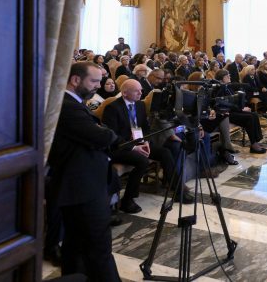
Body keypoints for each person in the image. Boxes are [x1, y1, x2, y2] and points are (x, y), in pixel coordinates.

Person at [47, 62, 121, 281]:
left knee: (75, 245)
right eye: (94, 81)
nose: (98, 86)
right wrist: (105, 132)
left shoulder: (73, 103)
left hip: (81, 183)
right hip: (82, 187)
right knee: (99, 248)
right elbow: (102, 136)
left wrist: (101, 132)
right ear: (75, 80)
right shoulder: (68, 105)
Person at [103, 79, 192, 211]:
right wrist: (134, 147)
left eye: (141, 90)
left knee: (165, 152)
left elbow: (145, 127)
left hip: (139, 142)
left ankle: (178, 191)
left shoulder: (140, 105)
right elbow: (113, 135)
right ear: (125, 93)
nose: (140, 93)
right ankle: (127, 200)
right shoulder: (112, 108)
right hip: (120, 147)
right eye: (136, 91)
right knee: (142, 161)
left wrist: (146, 142)